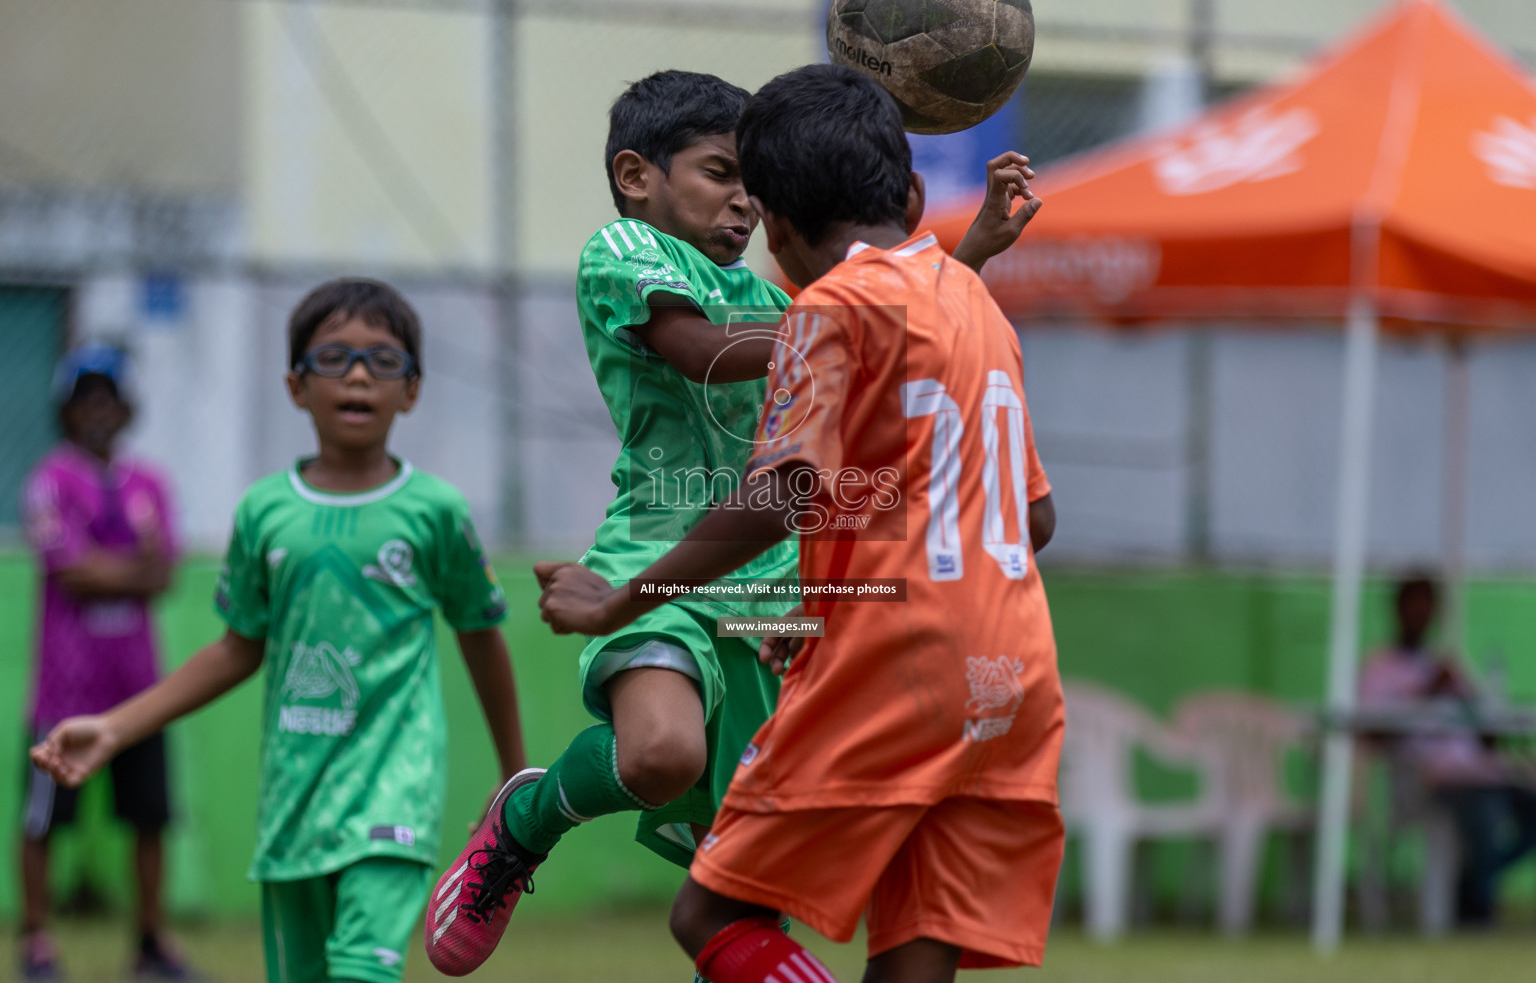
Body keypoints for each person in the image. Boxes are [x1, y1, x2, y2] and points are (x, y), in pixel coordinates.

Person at [424, 69, 1041, 976]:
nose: (747, 203)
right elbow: (706, 353)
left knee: (747, 872)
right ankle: (524, 821)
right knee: (663, 753)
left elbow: (883, 325)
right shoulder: (623, 250)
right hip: (662, 556)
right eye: (722, 173)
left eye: (758, 186)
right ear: (638, 175)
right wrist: (871, 300)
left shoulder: (776, 297)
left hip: (777, 588)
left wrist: (957, 263)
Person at [32, 282, 527, 983]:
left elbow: (482, 634)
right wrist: (114, 728)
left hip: (394, 800)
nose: (358, 375)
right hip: (292, 811)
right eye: (334, 357)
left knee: (363, 971)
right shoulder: (265, 512)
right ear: (296, 385)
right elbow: (237, 650)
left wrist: (513, 776)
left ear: (411, 390)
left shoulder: (435, 512)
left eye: (383, 361)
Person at [17, 344, 192, 980]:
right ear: (66, 408)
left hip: (137, 690)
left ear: (127, 408)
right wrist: (129, 568)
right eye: (85, 396)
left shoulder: (151, 483)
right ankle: (37, 940)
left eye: (109, 397)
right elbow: (69, 570)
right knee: (44, 819)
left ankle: (150, 942)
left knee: (150, 817)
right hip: (63, 692)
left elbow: (163, 571)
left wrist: (109, 568)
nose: (98, 409)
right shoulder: (49, 480)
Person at [1359, 574, 1536, 926]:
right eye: (1414, 604)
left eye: (1428, 605)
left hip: (1478, 771)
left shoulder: (1445, 665)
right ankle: (1475, 908)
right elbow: (1370, 732)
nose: (1421, 613)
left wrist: (1463, 694)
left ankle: (1469, 887)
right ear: (1397, 609)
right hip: (1427, 778)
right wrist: (1425, 694)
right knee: (1486, 814)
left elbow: (1489, 737)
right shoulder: (1380, 668)